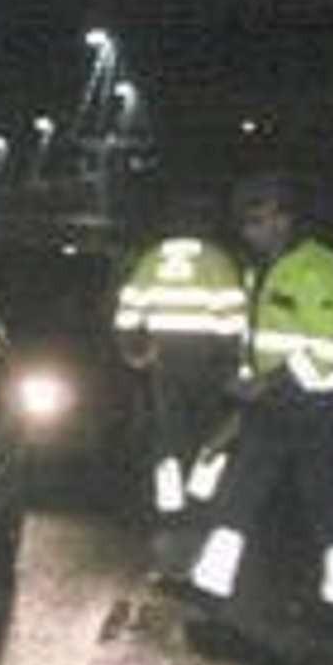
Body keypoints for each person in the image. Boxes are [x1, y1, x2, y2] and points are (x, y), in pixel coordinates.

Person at [189, 174, 333, 617]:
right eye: (246, 222)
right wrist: (245, 380)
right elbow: (265, 341)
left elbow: (329, 348)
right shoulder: (263, 269)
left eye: (259, 219)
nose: (251, 230)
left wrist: (267, 384)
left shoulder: (320, 268)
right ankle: (210, 584)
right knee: (241, 491)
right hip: (272, 402)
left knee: (327, 497)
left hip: (316, 406)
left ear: (285, 219)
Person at [112, 222, 248, 540]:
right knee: (212, 433)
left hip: (165, 358)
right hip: (208, 359)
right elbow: (233, 319)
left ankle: (170, 508)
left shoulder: (151, 259)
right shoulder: (216, 260)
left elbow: (127, 314)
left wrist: (134, 351)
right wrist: (234, 363)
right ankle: (201, 500)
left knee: (169, 432)